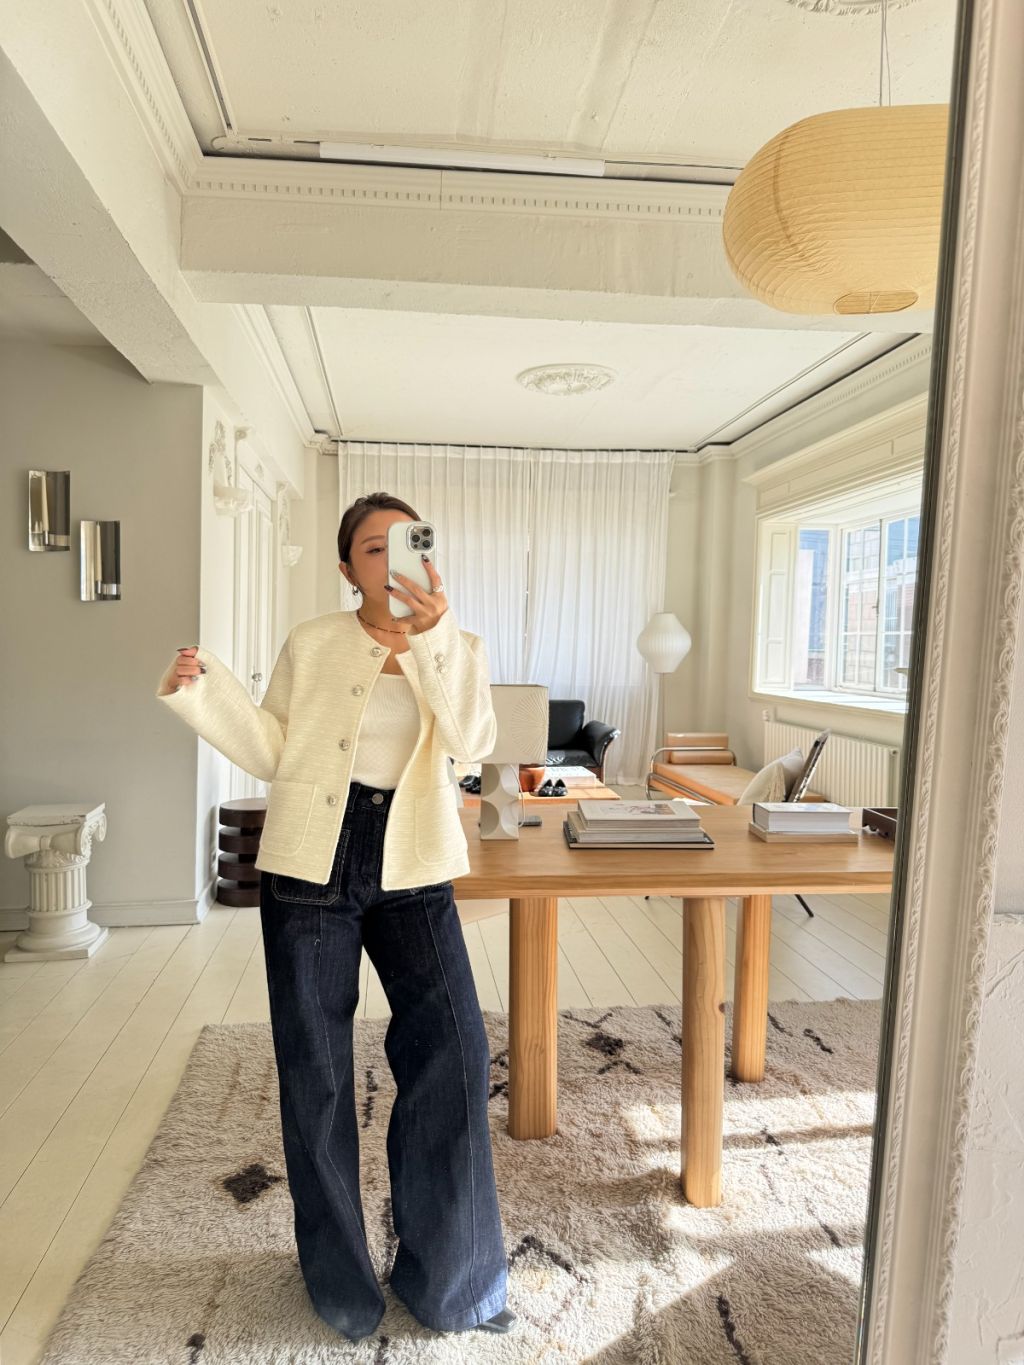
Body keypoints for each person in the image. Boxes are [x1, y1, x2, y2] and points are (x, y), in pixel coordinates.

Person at [156, 491, 515, 1343]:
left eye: (407, 542)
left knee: (455, 1051)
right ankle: (341, 1282)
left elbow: (473, 743)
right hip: (312, 859)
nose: (391, 559)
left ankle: (453, 1281)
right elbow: (275, 747)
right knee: (315, 1071)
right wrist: (203, 693)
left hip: (414, 861)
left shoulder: (458, 645)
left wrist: (432, 637)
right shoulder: (314, 641)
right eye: (372, 547)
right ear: (348, 567)